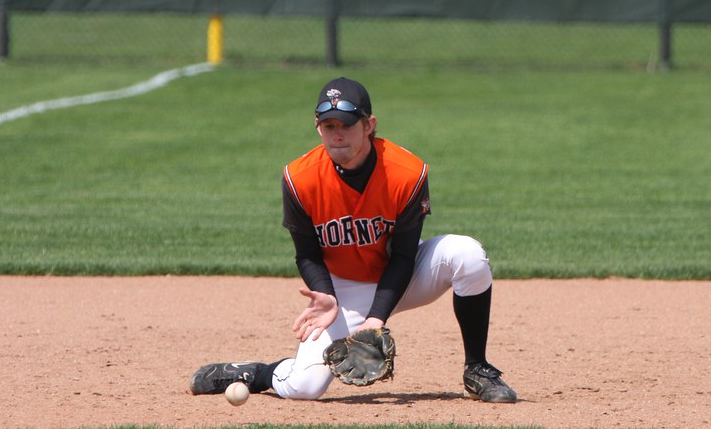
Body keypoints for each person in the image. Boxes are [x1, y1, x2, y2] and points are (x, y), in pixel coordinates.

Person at [188, 77, 516, 403]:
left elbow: (403, 256)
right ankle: (257, 372)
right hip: (344, 293)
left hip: (403, 277)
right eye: (328, 125)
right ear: (318, 128)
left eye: (346, 124)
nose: (338, 134)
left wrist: (376, 320)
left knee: (468, 255)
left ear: (369, 125)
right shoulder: (300, 179)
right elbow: (307, 256)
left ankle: (478, 370)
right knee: (305, 387)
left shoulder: (406, 174)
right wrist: (327, 296)